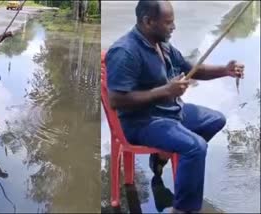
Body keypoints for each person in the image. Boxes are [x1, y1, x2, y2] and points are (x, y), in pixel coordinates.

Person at [105, 1, 244, 213]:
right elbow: (117, 100)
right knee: (195, 147)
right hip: (141, 122)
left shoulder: (162, 44)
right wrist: (165, 91)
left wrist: (225, 70)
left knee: (216, 119)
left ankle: (161, 156)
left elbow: (193, 69)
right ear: (148, 21)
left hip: (168, 111)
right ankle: (183, 209)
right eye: (168, 22)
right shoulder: (125, 51)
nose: (173, 27)